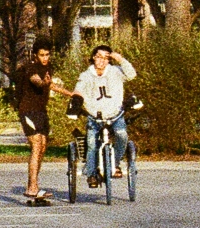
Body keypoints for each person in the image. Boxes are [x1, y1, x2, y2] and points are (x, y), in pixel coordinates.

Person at [70, 43, 136, 186]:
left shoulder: (115, 71)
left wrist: (120, 59)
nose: (102, 61)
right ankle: (92, 174)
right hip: (95, 116)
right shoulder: (86, 75)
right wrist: (75, 104)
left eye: (106, 58)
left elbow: (131, 75)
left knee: (122, 135)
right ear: (93, 57)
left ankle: (115, 163)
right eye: (99, 57)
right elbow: (78, 90)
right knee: (92, 143)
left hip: (115, 114)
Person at [11, 43, 58, 206]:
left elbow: (50, 84)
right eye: (42, 55)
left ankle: (34, 185)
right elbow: (37, 82)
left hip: (40, 112)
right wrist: (44, 82)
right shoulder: (31, 68)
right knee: (36, 145)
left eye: (47, 55)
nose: (45, 58)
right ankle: (32, 187)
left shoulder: (49, 67)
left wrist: (72, 93)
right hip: (28, 111)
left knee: (43, 146)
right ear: (35, 55)